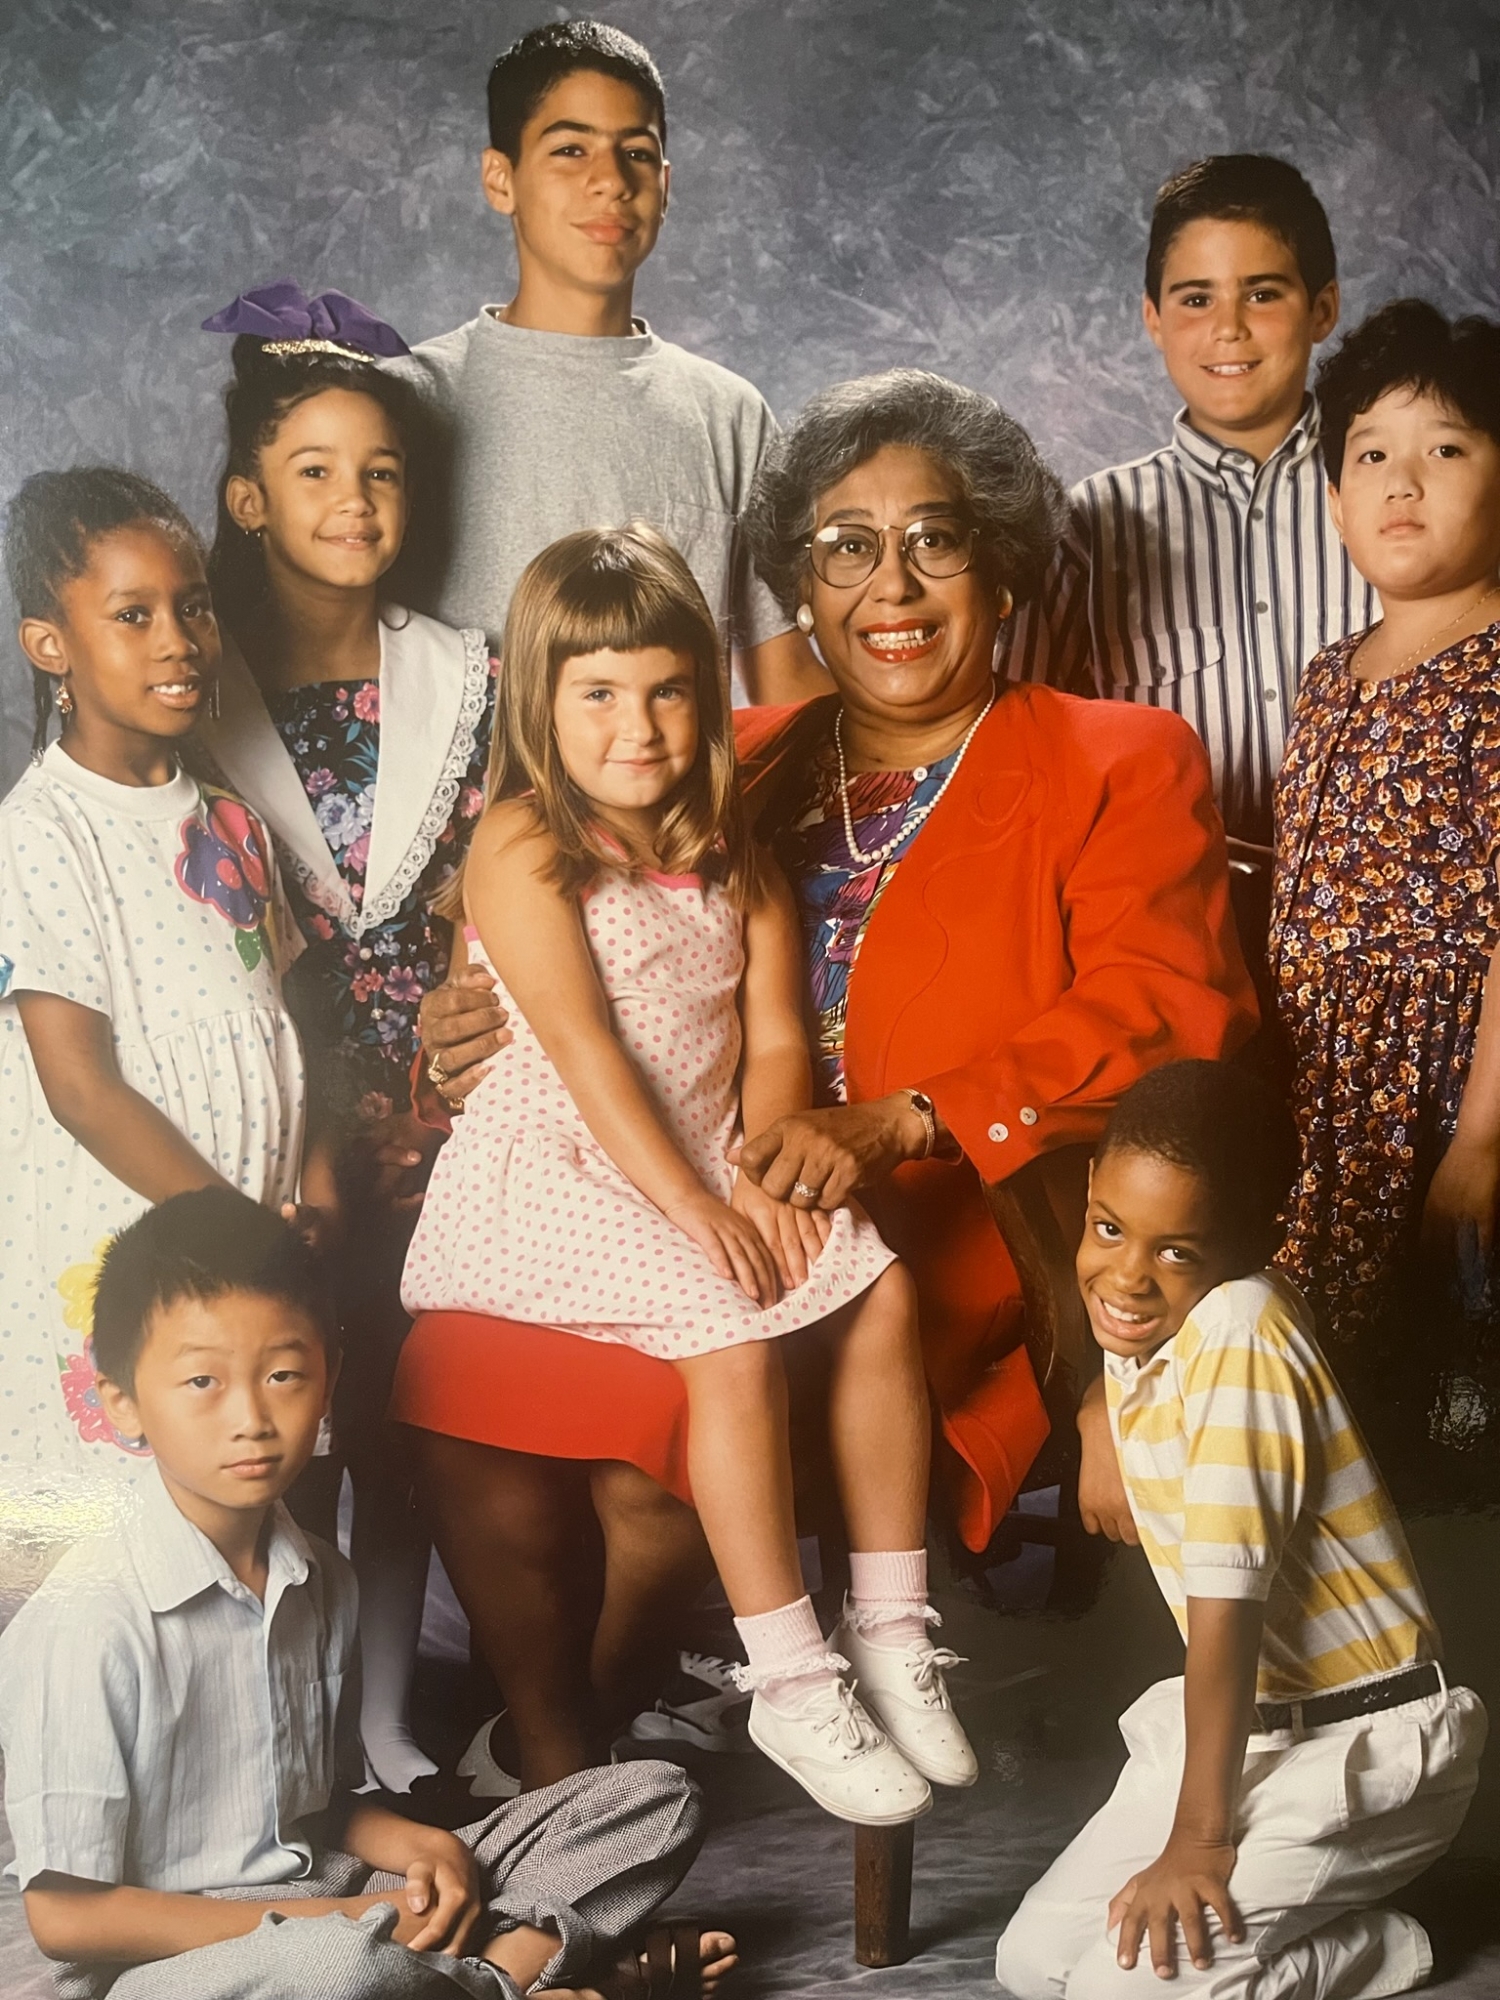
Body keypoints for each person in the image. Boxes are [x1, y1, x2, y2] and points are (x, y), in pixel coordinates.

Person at [409, 369, 1258, 1787]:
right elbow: (577, 964)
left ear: (1001, 561)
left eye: (937, 538)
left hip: (962, 1225)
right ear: (800, 585)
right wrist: (466, 1024)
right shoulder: (719, 756)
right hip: (672, 1200)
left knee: (667, 1438)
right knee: (552, 1424)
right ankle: (580, 1745)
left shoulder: (1117, 757)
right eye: (846, 546)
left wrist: (915, 1115)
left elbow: (1170, 1005)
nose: (892, 584)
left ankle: (655, 1716)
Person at [403, 520, 970, 1825]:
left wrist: (768, 1174)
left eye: (667, 690)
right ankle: (789, 1671)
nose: (638, 725)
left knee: (876, 1282)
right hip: (560, 1170)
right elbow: (589, 1054)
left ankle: (891, 1619)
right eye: (597, 694)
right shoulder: (524, 844)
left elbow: (774, 1040)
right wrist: (701, 1210)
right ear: (544, 705)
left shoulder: (738, 858)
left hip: (704, 1157)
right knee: (729, 1337)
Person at [0, 1188, 731, 2000]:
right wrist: (338, 1924)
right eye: (202, 1380)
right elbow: (65, 1917)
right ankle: (515, 1971)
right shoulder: (85, 1619)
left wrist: (426, 1852)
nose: (251, 1417)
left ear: (331, 1376)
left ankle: (478, 1979)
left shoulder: (323, 1578)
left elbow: (318, 1811)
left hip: (332, 1898)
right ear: (123, 1403)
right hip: (177, 1964)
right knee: (340, 1967)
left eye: (283, 1374)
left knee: (650, 1799)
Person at [994, 1060, 1486, 2000]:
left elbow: (1226, 1612)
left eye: (1177, 1250)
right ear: (1092, 1192)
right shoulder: (1159, 1329)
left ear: (1253, 1244)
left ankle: (1382, 1950)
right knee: (1033, 1965)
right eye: (1108, 1229)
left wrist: (1199, 1843)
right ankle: (1343, 1938)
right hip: (1241, 1736)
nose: (1128, 1276)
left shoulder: (1243, 1324)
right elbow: (1127, 1333)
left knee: (1117, 1992)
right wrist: (1097, 1409)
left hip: (1365, 1745)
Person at [196, 280, 496, 1794]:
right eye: (313, 471)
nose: (353, 500)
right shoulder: (193, 688)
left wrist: (466, 1010)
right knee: (273, 1409)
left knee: (401, 1412)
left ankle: (380, 1718)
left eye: (380, 471)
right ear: (248, 496)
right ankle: (262, 1718)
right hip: (268, 1106)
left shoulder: (461, 676)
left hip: (435, 1106)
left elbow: (497, 879)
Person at [0, 468, 302, 1532]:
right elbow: (81, 1088)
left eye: (193, 606)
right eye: (133, 615)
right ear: (52, 645)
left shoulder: (231, 820)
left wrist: (308, 1186)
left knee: (226, 1508)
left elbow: (283, 1027)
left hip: (252, 1226)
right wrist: (231, 1233)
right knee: (108, 1535)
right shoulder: (42, 831)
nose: (177, 637)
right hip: (132, 1228)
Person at [999, 154, 1375, 974]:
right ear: (1152, 318)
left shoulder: (1391, 495)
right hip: (1174, 937)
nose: (1227, 328)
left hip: (1372, 933)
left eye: (1263, 293)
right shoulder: (1087, 527)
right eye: (1196, 298)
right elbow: (1021, 758)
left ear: (1323, 309)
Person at [389, 18, 827, 707]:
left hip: (671, 814)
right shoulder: (408, 398)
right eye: (570, 149)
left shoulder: (729, 416)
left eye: (637, 153)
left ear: (666, 182)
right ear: (500, 179)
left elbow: (788, 689)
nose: (610, 182)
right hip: (468, 813)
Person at [1271, 299, 1500, 1494]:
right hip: (1328, 1082)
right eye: (1372, 454)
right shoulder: (1328, 675)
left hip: (1453, 1075)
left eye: (1447, 448)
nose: (1403, 481)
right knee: (1329, 1391)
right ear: (1335, 501)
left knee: (1446, 1395)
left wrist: (1483, 1129)